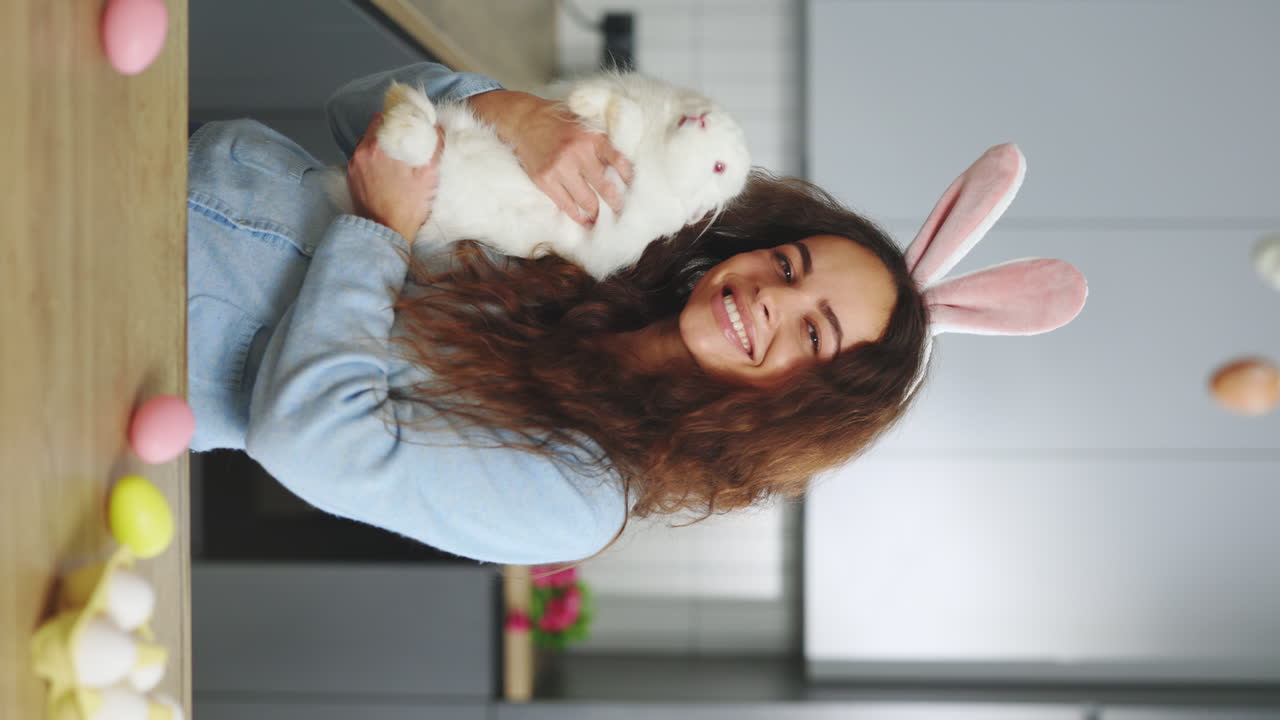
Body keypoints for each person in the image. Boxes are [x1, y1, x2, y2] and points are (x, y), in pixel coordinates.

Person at [186, 62, 931, 565]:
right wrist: (512, 113)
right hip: (163, 159)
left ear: (801, 411)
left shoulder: (580, 493)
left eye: (813, 332)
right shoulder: (616, 239)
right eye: (790, 265)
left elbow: (309, 442)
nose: (773, 295)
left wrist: (380, 232)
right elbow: (356, 112)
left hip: (151, 316)